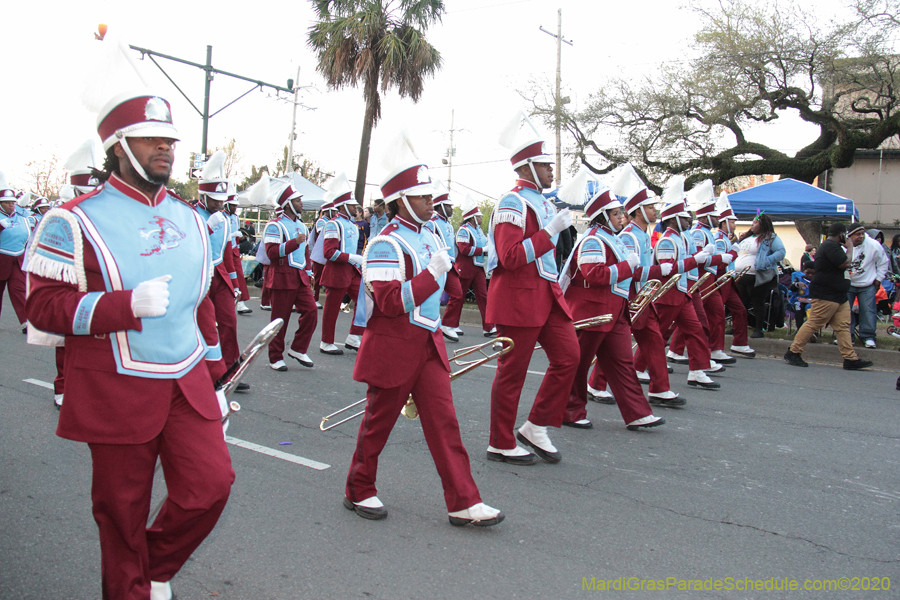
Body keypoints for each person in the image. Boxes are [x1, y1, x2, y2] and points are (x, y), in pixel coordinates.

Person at [25, 91, 233, 600]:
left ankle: (153, 568)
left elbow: (199, 304)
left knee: (211, 487)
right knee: (121, 517)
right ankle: (131, 586)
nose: (165, 148)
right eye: (151, 139)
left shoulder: (191, 218)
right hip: (117, 387)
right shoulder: (73, 220)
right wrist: (122, 305)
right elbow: (41, 308)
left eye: (169, 140)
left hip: (186, 383)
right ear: (119, 146)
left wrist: (216, 377)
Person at [345, 133, 503, 527]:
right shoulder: (384, 244)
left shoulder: (430, 233)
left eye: (431, 196)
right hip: (393, 347)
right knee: (376, 425)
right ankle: (358, 488)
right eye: (423, 197)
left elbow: (447, 293)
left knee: (445, 423)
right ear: (401, 200)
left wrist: (449, 276)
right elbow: (390, 304)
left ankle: (463, 501)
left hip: (428, 344)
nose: (431, 202)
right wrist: (434, 273)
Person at [485, 112, 579, 465]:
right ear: (526, 166)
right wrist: (549, 232)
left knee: (569, 356)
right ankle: (500, 440)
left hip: (547, 294)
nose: (552, 170)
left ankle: (536, 425)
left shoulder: (542, 201)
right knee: (513, 372)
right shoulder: (512, 202)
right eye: (545, 164)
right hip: (519, 296)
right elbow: (509, 257)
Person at [559, 176, 665, 431]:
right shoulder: (594, 239)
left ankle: (637, 413)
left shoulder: (614, 238)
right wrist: (626, 266)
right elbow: (593, 275)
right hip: (591, 310)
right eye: (616, 213)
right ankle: (570, 411)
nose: (622, 217)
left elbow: (629, 271)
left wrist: (661, 271)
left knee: (622, 363)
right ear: (602, 216)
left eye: (621, 212)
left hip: (614, 311)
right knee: (579, 364)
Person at [649, 176, 721, 390]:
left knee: (696, 330)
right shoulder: (667, 240)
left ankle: (697, 371)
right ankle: (638, 367)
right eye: (684, 217)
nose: (689, 220)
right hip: (669, 294)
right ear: (673, 219)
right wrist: (695, 261)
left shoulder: (680, 238)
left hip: (684, 292)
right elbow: (668, 268)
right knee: (657, 336)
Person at [195, 151, 249, 393]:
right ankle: (203, 373)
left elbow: (228, 254)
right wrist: (205, 227)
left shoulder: (226, 220)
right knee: (201, 326)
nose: (220, 204)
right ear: (203, 197)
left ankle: (230, 372)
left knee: (229, 322)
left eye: (221, 200)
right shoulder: (191, 215)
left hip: (220, 275)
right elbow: (188, 248)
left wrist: (235, 284)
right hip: (198, 275)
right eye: (215, 200)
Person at [784, 222, 874, 370]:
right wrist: (850, 247)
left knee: (843, 326)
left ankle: (850, 358)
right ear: (842, 234)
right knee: (814, 323)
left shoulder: (834, 247)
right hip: (826, 294)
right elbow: (844, 263)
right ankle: (793, 352)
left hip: (838, 295)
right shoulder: (830, 246)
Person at [263, 179, 319, 370]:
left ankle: (298, 349)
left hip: (300, 277)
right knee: (280, 319)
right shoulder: (274, 226)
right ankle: (275, 357)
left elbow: (305, 253)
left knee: (311, 312)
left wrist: (309, 271)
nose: (301, 204)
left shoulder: (303, 226)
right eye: (297, 201)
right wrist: (293, 242)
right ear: (287, 204)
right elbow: (270, 253)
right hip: (281, 276)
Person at [319, 173, 366, 354]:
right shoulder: (332, 224)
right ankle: (326, 342)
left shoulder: (353, 225)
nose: (356, 207)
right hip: (337, 271)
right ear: (344, 205)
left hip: (352, 271)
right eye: (353, 205)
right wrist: (352, 258)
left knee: (364, 301)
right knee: (332, 309)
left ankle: (354, 336)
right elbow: (329, 252)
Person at [443, 194, 495, 340]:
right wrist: (483, 250)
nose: (480, 218)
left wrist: (487, 249)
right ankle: (449, 324)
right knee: (458, 297)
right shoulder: (464, 230)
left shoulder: (478, 230)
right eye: (478, 216)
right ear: (472, 217)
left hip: (478, 268)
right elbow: (464, 249)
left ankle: (488, 327)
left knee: (483, 297)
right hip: (465, 268)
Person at [422, 181, 465, 342]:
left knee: (458, 294)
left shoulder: (447, 224)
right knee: (431, 295)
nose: (451, 209)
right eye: (448, 206)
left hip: (450, 264)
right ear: (440, 206)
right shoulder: (432, 222)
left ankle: (447, 324)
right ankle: (429, 324)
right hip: (437, 265)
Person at [715, 196, 756, 358]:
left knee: (739, 311)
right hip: (720, 280)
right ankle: (714, 349)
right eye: (732, 222)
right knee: (716, 316)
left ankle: (739, 343)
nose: (734, 224)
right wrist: (734, 252)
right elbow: (718, 263)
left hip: (728, 280)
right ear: (724, 223)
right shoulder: (719, 239)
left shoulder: (726, 238)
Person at [734, 213, 785, 338]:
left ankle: (758, 329)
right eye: (752, 222)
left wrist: (766, 261)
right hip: (741, 276)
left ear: (763, 224)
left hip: (758, 276)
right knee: (741, 303)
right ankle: (739, 328)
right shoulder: (747, 237)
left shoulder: (770, 238)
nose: (752, 224)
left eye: (755, 222)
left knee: (758, 302)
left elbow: (781, 252)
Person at [847, 225, 888, 348]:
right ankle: (848, 336)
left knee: (868, 311)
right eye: (858, 234)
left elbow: (883, 262)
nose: (861, 236)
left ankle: (868, 337)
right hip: (848, 283)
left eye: (862, 233)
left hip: (867, 284)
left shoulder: (873, 245)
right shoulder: (844, 245)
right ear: (850, 235)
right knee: (845, 312)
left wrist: (878, 279)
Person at [0, 172, 30, 334]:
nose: (11, 205)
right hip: (1, 258)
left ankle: (26, 322)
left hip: (17, 258)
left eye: (12, 202)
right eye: (7, 203)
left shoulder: (21, 217)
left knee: (20, 289)